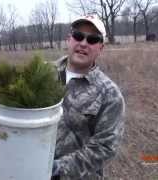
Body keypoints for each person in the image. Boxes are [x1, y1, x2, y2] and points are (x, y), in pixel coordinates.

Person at [51, 14, 125, 180]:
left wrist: (58, 169)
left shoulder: (110, 94)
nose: (83, 43)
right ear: (68, 39)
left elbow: (105, 147)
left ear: (101, 47)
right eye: (78, 36)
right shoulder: (43, 74)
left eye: (92, 39)